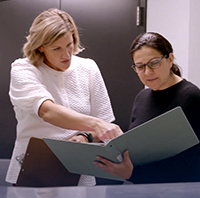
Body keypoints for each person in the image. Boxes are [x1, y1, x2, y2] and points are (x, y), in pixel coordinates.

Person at [6, 8, 123, 186]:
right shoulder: (23, 69)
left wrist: (86, 136)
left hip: (79, 169)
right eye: (57, 48)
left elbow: (104, 124)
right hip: (34, 170)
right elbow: (47, 111)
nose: (67, 54)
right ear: (40, 47)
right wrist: (95, 124)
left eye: (69, 45)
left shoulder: (88, 68)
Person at [95, 32, 200, 184]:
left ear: (170, 59)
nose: (148, 72)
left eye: (154, 63)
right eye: (140, 66)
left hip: (180, 190)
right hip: (143, 187)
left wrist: (132, 173)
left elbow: (184, 162)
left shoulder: (191, 96)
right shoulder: (142, 97)